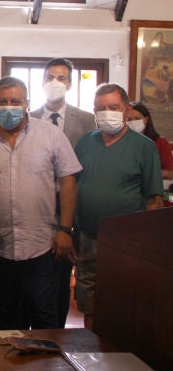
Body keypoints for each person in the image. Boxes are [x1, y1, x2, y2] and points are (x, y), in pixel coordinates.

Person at [0, 76, 81, 330]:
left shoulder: (51, 136)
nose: (9, 107)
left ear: (27, 103)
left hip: (43, 245)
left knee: (44, 312)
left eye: (15, 101)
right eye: (3, 101)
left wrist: (65, 229)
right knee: (5, 313)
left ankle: (45, 355)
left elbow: (69, 182)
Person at [74, 84, 163, 329]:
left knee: (124, 300)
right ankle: (90, 347)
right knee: (89, 301)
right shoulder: (85, 142)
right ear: (94, 111)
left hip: (128, 243)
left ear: (127, 109)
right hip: (88, 236)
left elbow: (154, 199)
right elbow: (72, 186)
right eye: (101, 108)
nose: (107, 113)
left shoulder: (144, 147)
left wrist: (146, 244)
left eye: (113, 107)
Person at [28, 57, 96, 328]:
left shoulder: (87, 120)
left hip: (69, 207)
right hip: (36, 206)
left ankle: (55, 334)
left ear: (69, 83)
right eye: (50, 77)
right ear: (42, 81)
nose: (55, 82)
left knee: (60, 276)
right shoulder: (29, 118)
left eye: (61, 78)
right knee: (33, 277)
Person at [127, 101, 173, 180]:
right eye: (129, 119)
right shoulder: (121, 142)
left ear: (146, 119)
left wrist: (146, 173)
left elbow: (170, 174)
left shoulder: (160, 142)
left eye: (137, 118)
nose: (133, 122)